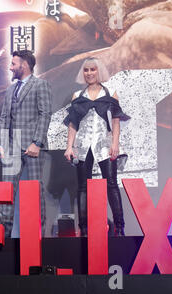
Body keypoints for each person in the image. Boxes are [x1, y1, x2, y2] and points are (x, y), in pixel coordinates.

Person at [63, 57, 130, 237]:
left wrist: (115, 143)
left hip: (104, 143)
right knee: (82, 187)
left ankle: (119, 227)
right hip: (83, 144)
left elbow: (115, 121)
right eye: (86, 70)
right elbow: (73, 124)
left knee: (111, 184)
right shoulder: (78, 96)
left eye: (93, 69)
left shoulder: (111, 93)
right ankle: (83, 228)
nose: (89, 73)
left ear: (99, 71)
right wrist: (69, 146)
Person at [0, 50, 53, 238]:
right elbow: (4, 117)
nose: (10, 67)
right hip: (12, 146)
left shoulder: (40, 85)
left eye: (13, 64)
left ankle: (39, 237)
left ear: (24, 65)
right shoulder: (11, 88)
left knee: (36, 190)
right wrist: (2, 143)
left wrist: (37, 142)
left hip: (32, 147)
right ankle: (4, 237)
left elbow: (45, 114)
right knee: (7, 192)